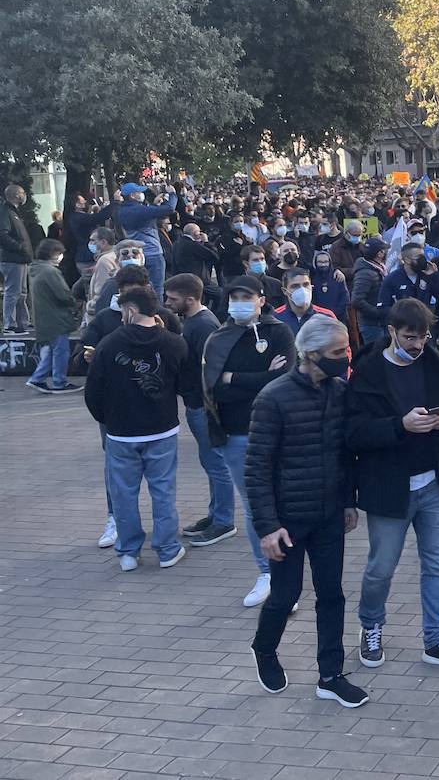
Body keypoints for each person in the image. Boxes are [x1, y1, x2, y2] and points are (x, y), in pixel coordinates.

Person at [347, 298, 439, 672]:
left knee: (437, 565)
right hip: (389, 488)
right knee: (381, 567)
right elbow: (353, 433)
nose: (417, 345)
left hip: (436, 484)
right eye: (409, 337)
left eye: (422, 337)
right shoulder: (369, 372)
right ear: (391, 332)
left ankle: (436, 639)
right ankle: (371, 626)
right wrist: (399, 426)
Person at [246, 315, 368, 708]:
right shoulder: (273, 398)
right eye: (337, 352)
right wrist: (267, 527)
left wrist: (348, 501)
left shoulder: (340, 391)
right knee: (286, 593)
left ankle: (330, 675)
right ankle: (265, 648)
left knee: (332, 593)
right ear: (312, 354)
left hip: (330, 513)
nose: (344, 357)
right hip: (288, 520)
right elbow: (257, 468)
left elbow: (347, 453)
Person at [83, 285, 196, 571]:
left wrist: (106, 419)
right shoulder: (174, 343)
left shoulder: (108, 345)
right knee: (163, 491)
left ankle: (129, 552)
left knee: (123, 494)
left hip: (121, 432)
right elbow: (188, 386)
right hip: (162, 429)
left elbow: (93, 391)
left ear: (130, 310)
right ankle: (168, 549)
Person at [201, 274, 297, 607]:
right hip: (236, 435)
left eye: (247, 296)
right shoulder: (218, 339)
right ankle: (267, 573)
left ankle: (287, 574)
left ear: (261, 299)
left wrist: (237, 378)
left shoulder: (279, 332)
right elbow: (217, 389)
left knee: (283, 501)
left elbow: (285, 380)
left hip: (279, 432)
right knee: (255, 505)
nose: (240, 302)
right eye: (234, 296)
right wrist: (262, 377)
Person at [164, 273, 237, 548]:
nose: (168, 303)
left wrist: (208, 403)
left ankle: (223, 520)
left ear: (191, 299)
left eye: (172, 299)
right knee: (210, 462)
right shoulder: (194, 322)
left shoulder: (203, 325)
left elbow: (212, 368)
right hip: (197, 403)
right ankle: (215, 513)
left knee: (216, 464)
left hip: (205, 406)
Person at [25, 238, 80, 393]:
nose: (62, 256)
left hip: (44, 318)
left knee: (51, 350)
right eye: (60, 253)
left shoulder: (36, 270)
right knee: (61, 351)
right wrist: (74, 302)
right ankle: (59, 382)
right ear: (54, 253)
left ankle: (37, 378)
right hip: (56, 318)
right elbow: (63, 295)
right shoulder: (51, 271)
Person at [113, 183, 179, 296]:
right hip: (153, 254)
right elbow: (170, 208)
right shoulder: (140, 210)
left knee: (139, 288)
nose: (142, 194)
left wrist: (155, 205)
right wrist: (172, 194)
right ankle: (155, 311)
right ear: (133, 195)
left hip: (136, 254)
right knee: (156, 290)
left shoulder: (122, 211)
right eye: (139, 192)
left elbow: (144, 217)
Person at [1, 182, 34, 333]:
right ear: (16, 195)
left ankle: (22, 322)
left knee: (21, 292)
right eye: (21, 193)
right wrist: (19, 247)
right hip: (12, 258)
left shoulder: (13, 212)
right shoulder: (6, 212)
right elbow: (3, 234)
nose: (24, 195)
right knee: (12, 292)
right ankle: (10, 323)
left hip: (20, 258)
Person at [350, 236, 390, 350]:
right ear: (380, 253)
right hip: (372, 325)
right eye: (384, 250)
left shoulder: (379, 269)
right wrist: (378, 313)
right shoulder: (366, 273)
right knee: (376, 356)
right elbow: (356, 300)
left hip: (380, 323)